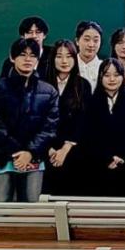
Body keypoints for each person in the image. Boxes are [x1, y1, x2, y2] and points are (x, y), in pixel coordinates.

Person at [0, 38, 59, 203]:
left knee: (32, 213)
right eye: (23, 55)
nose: (27, 59)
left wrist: (29, 153)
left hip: (34, 161)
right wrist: (18, 154)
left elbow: (49, 128)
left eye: (33, 55)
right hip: (1, 161)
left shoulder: (49, 91)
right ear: (12, 57)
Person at [82, 59, 125, 196]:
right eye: (107, 75)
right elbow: (89, 135)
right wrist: (107, 157)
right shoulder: (91, 102)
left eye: (116, 75)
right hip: (98, 164)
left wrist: (121, 156)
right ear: (100, 77)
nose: (112, 79)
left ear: (123, 76)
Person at [43, 39, 91, 195]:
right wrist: (49, 149)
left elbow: (83, 121)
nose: (64, 61)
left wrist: (65, 149)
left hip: (73, 150)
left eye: (69, 56)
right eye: (59, 56)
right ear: (52, 59)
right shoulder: (42, 84)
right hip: (45, 151)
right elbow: (37, 120)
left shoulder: (83, 85)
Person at [0, 16, 52, 80]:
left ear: (44, 35)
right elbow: (3, 83)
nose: (34, 36)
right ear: (22, 36)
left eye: (38, 32)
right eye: (30, 32)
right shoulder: (12, 61)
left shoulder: (54, 55)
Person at [75, 21, 103, 90]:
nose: (91, 45)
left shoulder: (105, 67)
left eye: (96, 40)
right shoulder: (69, 65)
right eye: (87, 40)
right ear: (77, 41)